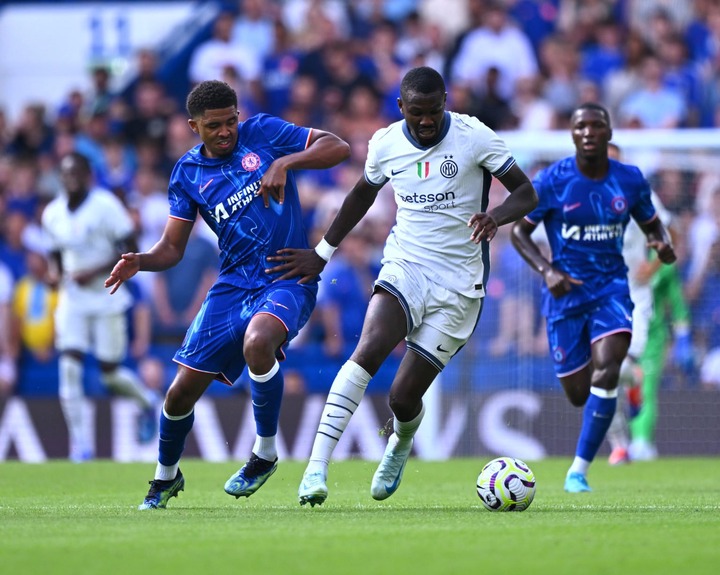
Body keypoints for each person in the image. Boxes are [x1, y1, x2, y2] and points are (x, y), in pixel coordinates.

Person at [268, 66, 538, 506]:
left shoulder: (475, 137)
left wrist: (496, 217)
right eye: (417, 113)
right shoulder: (386, 142)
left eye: (434, 111)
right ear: (401, 108)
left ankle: (399, 442)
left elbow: (526, 193)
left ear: (445, 102)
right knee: (368, 349)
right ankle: (316, 469)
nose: (427, 120)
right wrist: (321, 252)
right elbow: (361, 194)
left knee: (403, 396)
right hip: (406, 265)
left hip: (460, 284)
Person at [104, 79, 350, 510]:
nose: (225, 132)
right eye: (213, 125)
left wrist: (286, 162)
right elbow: (172, 249)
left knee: (259, 342)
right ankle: (165, 478)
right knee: (179, 393)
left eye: (230, 121)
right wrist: (141, 260)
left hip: (286, 273)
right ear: (193, 126)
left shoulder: (263, 133)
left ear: (239, 115)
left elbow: (339, 147)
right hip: (233, 284)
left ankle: (264, 453)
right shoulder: (186, 174)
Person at [510, 103, 676, 493]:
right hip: (565, 296)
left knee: (606, 370)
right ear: (571, 134)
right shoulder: (554, 180)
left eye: (596, 125)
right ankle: (626, 379)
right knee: (578, 393)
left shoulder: (630, 180)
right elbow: (520, 233)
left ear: (609, 132)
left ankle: (578, 471)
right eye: (580, 126)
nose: (588, 132)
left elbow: (653, 225)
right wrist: (546, 270)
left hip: (611, 289)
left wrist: (660, 244)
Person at [42, 151, 158, 462]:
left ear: (88, 175)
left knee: (110, 373)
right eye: (66, 174)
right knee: (69, 366)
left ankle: (147, 401)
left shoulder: (105, 206)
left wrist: (93, 271)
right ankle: (81, 446)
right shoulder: (52, 213)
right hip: (73, 300)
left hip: (108, 295)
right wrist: (54, 276)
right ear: (60, 177)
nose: (71, 179)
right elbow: (54, 254)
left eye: (77, 173)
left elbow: (131, 248)